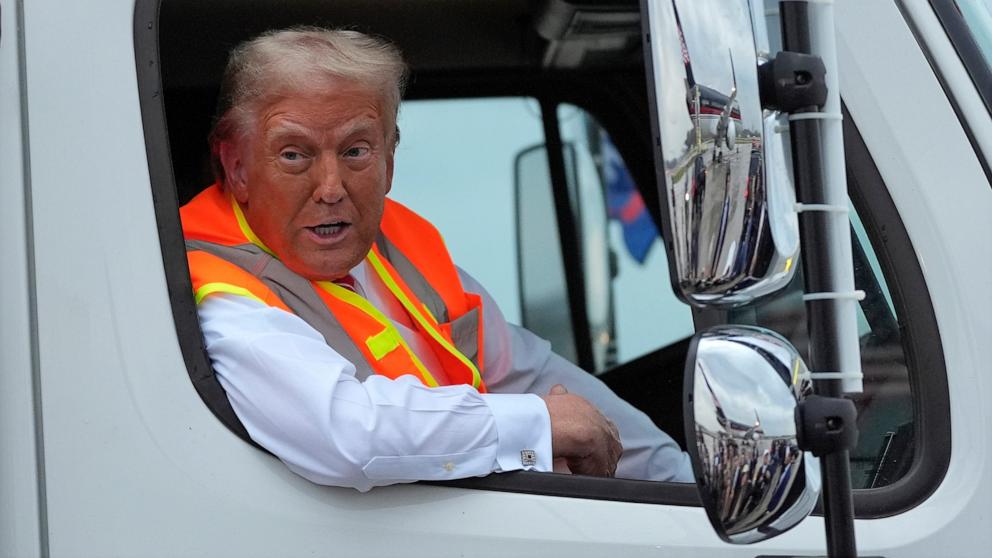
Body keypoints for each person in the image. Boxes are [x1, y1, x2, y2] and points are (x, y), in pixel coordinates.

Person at [181, 27, 693, 492]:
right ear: (237, 167)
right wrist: (536, 424)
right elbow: (347, 435)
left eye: (357, 150)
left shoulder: (402, 251)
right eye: (294, 154)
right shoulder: (217, 291)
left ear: (390, 160)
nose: (331, 188)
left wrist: (683, 488)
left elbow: (529, 373)